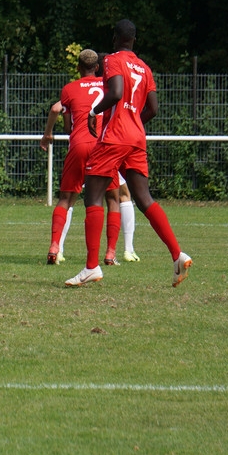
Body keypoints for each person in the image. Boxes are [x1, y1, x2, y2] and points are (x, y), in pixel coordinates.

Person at [65, 19, 192, 288]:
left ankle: (91, 267)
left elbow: (116, 92)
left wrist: (93, 111)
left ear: (116, 38)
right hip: (136, 138)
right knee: (144, 198)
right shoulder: (145, 68)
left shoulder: (112, 60)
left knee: (93, 195)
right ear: (134, 40)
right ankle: (177, 254)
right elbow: (153, 109)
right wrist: (134, 123)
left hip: (115, 137)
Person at [40, 49, 121, 264]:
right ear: (97, 68)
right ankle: (111, 253)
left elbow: (67, 125)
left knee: (66, 198)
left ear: (78, 68)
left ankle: (54, 246)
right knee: (112, 198)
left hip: (79, 145)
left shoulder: (69, 89)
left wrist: (50, 133)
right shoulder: (108, 87)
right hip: (103, 146)